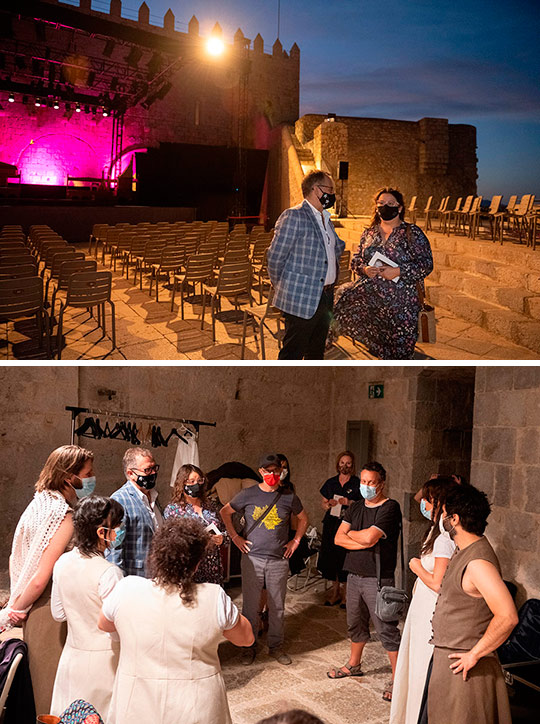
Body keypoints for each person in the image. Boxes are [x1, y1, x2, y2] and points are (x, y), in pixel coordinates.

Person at [98, 518, 254, 724]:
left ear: (155, 556)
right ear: (197, 563)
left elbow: (104, 624)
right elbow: (246, 638)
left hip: (137, 704)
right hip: (196, 706)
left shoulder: (126, 588)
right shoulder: (213, 596)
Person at [1, 445, 95, 716]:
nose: (91, 478)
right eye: (87, 473)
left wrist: (18, 601)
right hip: (47, 608)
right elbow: (42, 577)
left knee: (39, 682)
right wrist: (15, 609)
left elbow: (13, 557)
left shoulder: (37, 503)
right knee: (50, 688)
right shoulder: (63, 514)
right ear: (69, 477)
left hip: (33, 606)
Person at [419, 484, 518, 724]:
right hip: (449, 662)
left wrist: (474, 654)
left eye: (444, 514)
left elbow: (507, 616)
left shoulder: (478, 563)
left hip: (465, 671)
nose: (441, 519)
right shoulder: (464, 550)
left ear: (454, 518)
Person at [220, 453, 309, 665]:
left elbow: (304, 519)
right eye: (268, 471)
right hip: (252, 559)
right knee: (251, 605)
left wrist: (295, 541)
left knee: (277, 606)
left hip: (278, 559)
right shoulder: (248, 494)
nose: (272, 474)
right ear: (261, 472)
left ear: (281, 472)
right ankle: (248, 646)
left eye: (276, 471)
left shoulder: (289, 497)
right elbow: (225, 512)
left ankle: (275, 646)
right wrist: (235, 537)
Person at [332, 187, 433, 359]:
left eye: (390, 203)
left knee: (399, 353)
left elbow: (426, 264)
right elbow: (356, 260)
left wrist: (398, 271)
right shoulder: (369, 233)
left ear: (399, 208)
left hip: (402, 305)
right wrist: (364, 269)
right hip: (372, 304)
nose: (385, 207)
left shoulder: (412, 233)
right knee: (378, 349)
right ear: (376, 207)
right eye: (381, 203)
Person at [330, 461, 401, 704]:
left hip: (378, 578)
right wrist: (361, 540)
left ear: (381, 483)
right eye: (363, 482)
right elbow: (338, 538)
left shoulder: (390, 508)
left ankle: (398, 677)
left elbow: (372, 537)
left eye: (371, 482)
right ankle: (354, 664)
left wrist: (358, 537)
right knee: (355, 623)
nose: (367, 486)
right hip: (354, 575)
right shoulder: (357, 507)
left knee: (385, 629)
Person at [389, 477, 457, 724]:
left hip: (430, 609)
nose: (423, 504)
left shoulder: (445, 538)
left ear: (438, 502)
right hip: (421, 608)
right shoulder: (436, 530)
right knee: (413, 663)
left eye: (429, 500)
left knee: (420, 667)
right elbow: (417, 498)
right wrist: (432, 482)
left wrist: (416, 567)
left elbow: (439, 583)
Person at [50, 495, 124, 717]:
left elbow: (58, 613)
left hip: (72, 659)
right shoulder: (109, 573)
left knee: (69, 717)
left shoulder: (62, 562)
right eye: (117, 527)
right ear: (101, 532)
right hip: (105, 663)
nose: (119, 532)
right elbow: (117, 628)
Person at [267, 169, 345, 360]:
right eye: (331, 189)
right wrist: (286, 288)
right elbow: (275, 258)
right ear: (317, 190)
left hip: (325, 297)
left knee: (316, 353)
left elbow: (336, 249)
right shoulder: (294, 216)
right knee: (292, 354)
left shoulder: (326, 219)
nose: (334, 194)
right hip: (301, 298)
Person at [164, 464, 227, 585]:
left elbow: (224, 531)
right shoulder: (173, 509)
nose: (196, 485)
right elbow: (172, 541)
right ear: (182, 483)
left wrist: (222, 538)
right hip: (190, 568)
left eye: (199, 481)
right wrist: (200, 539)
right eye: (191, 481)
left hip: (213, 568)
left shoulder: (210, 506)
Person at [106, 447, 162, 576]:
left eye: (154, 468)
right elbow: (114, 548)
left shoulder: (154, 497)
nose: (153, 473)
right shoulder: (120, 500)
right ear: (131, 473)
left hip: (156, 577)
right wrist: (119, 584)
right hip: (135, 578)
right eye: (147, 470)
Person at [317, 450, 361, 606]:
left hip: (348, 526)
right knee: (331, 558)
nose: (345, 466)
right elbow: (323, 504)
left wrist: (348, 502)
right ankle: (334, 592)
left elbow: (362, 505)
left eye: (348, 463)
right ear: (338, 464)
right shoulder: (331, 482)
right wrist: (328, 503)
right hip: (331, 524)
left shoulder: (357, 483)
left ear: (352, 465)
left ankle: (345, 595)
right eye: (342, 463)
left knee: (344, 558)